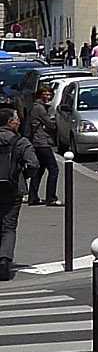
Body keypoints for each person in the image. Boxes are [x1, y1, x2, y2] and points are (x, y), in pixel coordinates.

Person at [0, 106, 25, 281]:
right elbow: (34, 164)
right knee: (9, 227)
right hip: (12, 188)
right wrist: (22, 176)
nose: (19, 122)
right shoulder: (20, 141)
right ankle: (5, 258)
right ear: (10, 122)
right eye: (16, 120)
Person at [25, 86, 58, 207]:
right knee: (54, 169)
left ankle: (33, 197)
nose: (48, 96)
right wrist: (54, 120)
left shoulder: (36, 107)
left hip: (36, 142)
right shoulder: (40, 108)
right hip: (42, 142)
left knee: (39, 170)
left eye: (49, 94)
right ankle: (51, 198)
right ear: (39, 95)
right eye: (45, 94)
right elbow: (50, 124)